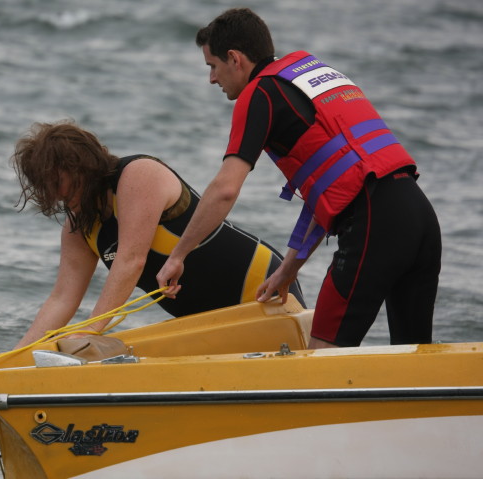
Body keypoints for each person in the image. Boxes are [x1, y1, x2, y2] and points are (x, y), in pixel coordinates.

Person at [156, 8, 441, 349]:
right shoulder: (310, 75)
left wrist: (178, 255)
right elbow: (338, 185)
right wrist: (288, 270)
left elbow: (225, 189)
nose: (212, 79)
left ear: (234, 58)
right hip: (420, 216)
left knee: (323, 354)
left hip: (374, 225)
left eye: (212, 66)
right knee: (415, 354)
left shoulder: (259, 94)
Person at [11, 120, 305, 348]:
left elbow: (131, 260)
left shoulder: (138, 174)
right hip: (208, 321)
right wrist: (12, 358)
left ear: (79, 167)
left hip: (262, 289)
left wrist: (90, 331)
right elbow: (61, 299)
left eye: (55, 182)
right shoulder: (79, 226)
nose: (54, 195)